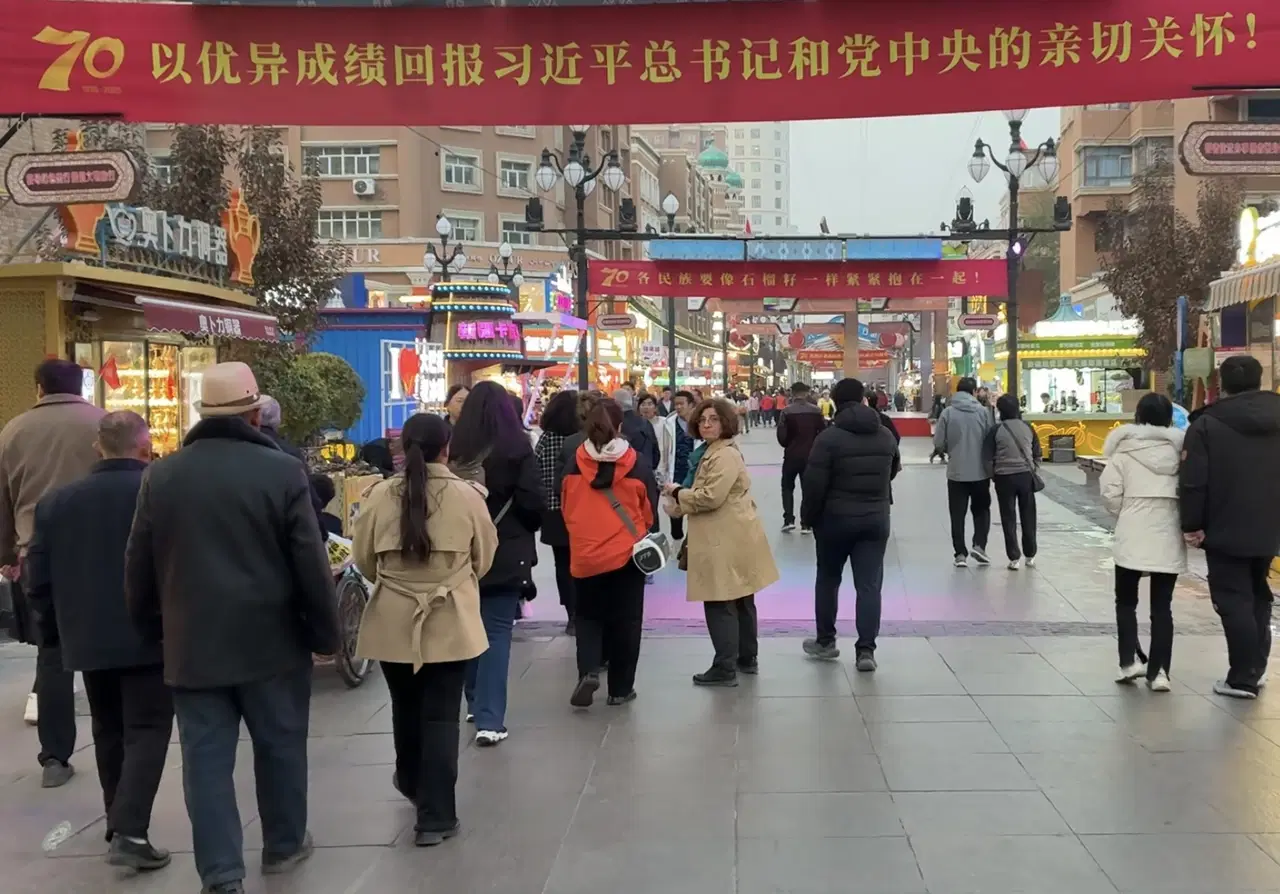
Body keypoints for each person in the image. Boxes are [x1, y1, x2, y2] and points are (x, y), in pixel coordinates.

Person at [124, 362, 339, 894]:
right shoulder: (281, 471)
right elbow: (310, 561)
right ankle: (284, 844)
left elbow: (138, 564)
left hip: (193, 644)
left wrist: (152, 626)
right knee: (281, 744)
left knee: (205, 761)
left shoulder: (162, 474)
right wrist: (324, 632)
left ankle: (221, 873)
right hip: (273, 639)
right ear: (252, 411)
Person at [25, 411, 172, 869]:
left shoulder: (57, 503)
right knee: (147, 729)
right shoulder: (160, 493)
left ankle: (118, 821)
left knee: (108, 729)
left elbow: (38, 579)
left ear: (98, 448)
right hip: (149, 633)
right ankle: (129, 829)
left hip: (86, 636)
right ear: (145, 447)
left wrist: (53, 632)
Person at [351, 413, 497, 846]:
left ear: (403, 448)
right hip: (449, 616)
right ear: (446, 448)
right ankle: (435, 815)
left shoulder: (378, 495)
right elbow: (483, 556)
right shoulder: (467, 497)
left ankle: (412, 781)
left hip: (392, 617)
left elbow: (363, 559)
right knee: (440, 715)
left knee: (405, 708)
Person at [0, 358, 104, 785]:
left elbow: (2, 500)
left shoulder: (13, 431)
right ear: (80, 385)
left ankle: (55, 758)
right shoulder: (103, 424)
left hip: (36, 556)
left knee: (52, 655)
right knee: (105, 649)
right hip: (100, 556)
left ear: (39, 388)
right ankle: (114, 741)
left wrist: (7, 553)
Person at [448, 380, 544, 743]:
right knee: (496, 630)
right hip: (505, 550)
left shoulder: (456, 449)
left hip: (460, 549)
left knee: (467, 625)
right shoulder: (518, 447)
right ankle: (490, 719)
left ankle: (473, 699)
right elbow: (533, 501)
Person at [1181, 355, 1280, 699]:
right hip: (1270, 526)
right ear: (1259, 379)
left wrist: (1192, 525)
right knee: (1258, 593)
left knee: (1233, 599)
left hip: (1224, 527)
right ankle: (1257, 668)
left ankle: (1242, 677)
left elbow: (1194, 481)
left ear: (1222, 384)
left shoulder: (1206, 425)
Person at [664, 398, 778, 686]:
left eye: (713, 419)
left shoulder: (723, 455)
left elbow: (710, 497)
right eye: (702, 420)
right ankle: (745, 657)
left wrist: (679, 493)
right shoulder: (713, 452)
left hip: (722, 537)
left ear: (726, 422)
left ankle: (725, 665)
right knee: (741, 598)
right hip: (733, 533)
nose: (706, 424)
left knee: (720, 600)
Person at [561, 399, 658, 708]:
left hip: (585, 554)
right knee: (626, 622)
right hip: (626, 556)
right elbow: (649, 511)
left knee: (588, 617)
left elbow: (564, 503)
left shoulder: (573, 460)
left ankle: (589, 670)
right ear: (619, 428)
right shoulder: (637, 462)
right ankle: (620, 688)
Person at [800, 378, 899, 669]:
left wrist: (808, 517)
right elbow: (892, 470)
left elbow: (813, 483)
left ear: (834, 401)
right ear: (864, 398)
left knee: (828, 580)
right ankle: (866, 651)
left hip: (834, 520)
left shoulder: (829, 438)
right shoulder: (884, 435)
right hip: (875, 519)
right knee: (869, 585)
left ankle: (826, 642)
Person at [1100, 394, 1185, 692]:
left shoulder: (1123, 453)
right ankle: (1159, 672)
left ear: (1137, 417)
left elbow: (1110, 494)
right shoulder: (1180, 453)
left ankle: (1128, 662)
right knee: (1162, 606)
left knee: (1125, 601)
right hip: (1168, 531)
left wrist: (1125, 513)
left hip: (1132, 531)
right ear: (1169, 419)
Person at [934, 377, 994, 567]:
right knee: (981, 510)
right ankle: (979, 546)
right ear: (975, 392)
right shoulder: (984, 412)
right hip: (981, 472)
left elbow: (938, 443)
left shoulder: (948, 413)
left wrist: (948, 449)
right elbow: (991, 438)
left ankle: (960, 554)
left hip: (956, 472)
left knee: (957, 514)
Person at [535, 391, 581, 633]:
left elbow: (536, 471)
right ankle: (584, 611)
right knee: (582, 561)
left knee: (562, 565)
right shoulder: (582, 440)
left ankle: (571, 614)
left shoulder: (546, 439)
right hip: (580, 510)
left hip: (553, 511)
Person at [983, 394, 1040, 569]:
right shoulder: (1028, 427)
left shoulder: (995, 430)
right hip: (1025, 476)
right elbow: (1037, 453)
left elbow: (987, 458)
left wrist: (994, 475)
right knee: (1028, 515)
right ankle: (1030, 554)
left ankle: (1013, 557)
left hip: (1004, 478)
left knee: (1008, 517)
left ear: (1000, 411)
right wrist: (1033, 469)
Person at [776, 382, 826, 534]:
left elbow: (781, 436)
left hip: (791, 455)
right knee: (808, 489)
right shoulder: (816, 411)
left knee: (787, 487)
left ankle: (788, 520)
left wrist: (788, 444)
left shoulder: (786, 412)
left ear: (793, 393)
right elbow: (823, 433)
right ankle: (806, 523)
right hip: (810, 456)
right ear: (807, 393)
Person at [613, 388, 660, 472]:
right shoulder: (645, 422)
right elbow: (655, 450)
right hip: (646, 471)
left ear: (616, 404)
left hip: (626, 474)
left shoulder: (617, 425)